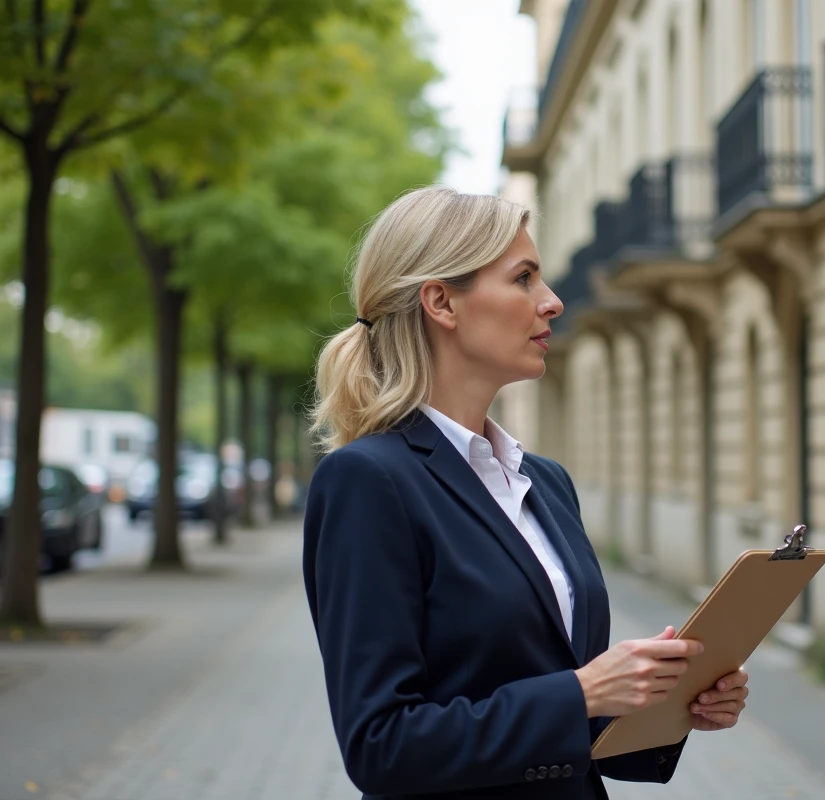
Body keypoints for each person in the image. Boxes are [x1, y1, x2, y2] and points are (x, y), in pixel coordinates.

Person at [302, 186, 749, 799]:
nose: (553, 302)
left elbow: (576, 731)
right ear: (442, 302)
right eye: (524, 278)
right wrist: (583, 691)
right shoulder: (369, 482)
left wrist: (664, 706)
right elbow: (380, 745)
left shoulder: (546, 482)